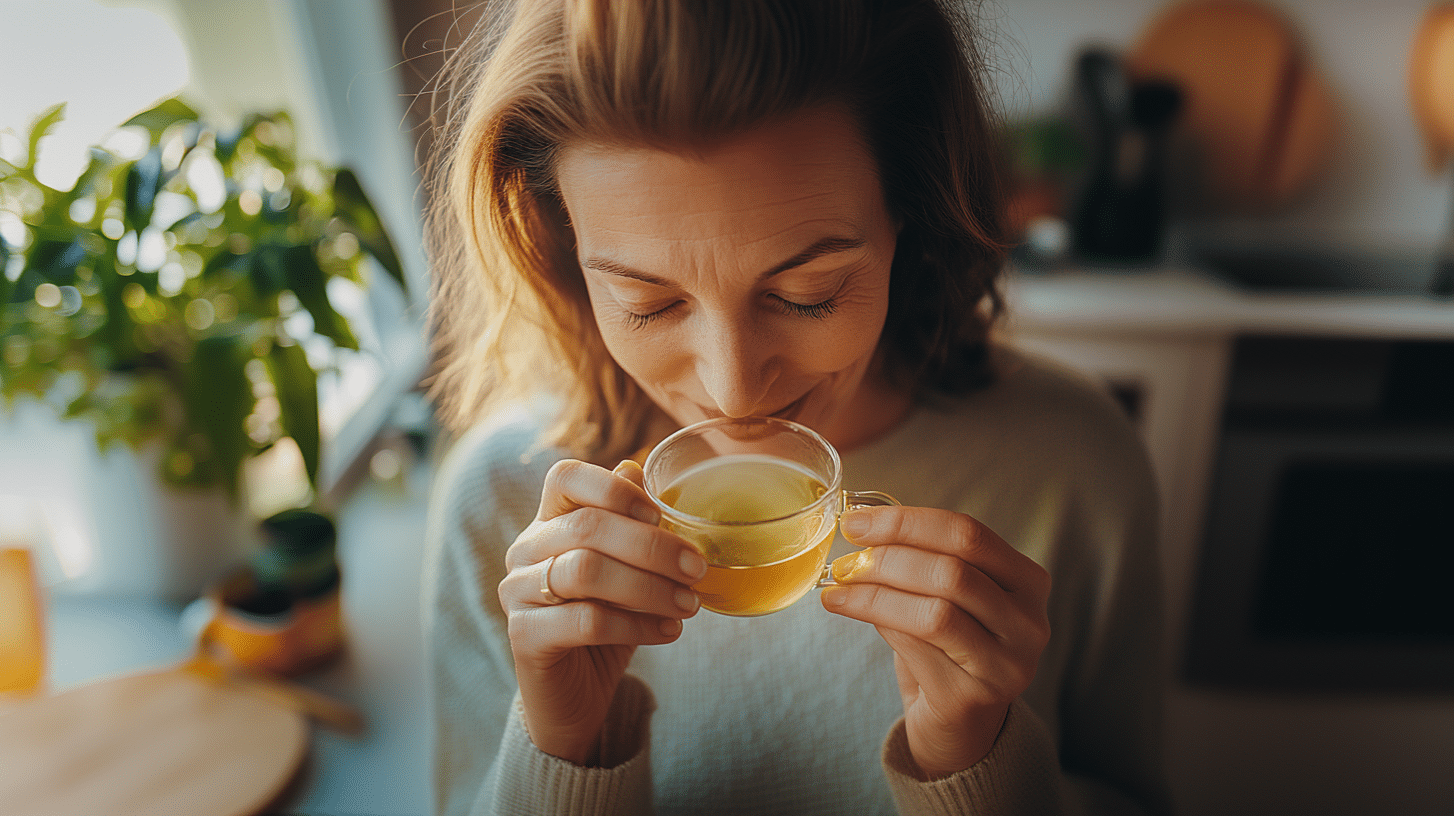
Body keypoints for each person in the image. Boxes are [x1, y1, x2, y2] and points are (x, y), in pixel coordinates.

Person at [421, 1, 1172, 813]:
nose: (733, 392)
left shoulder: (1079, 463)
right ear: (559, 240)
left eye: (806, 294)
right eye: (646, 303)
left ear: (910, 220)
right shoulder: (501, 504)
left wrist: (977, 762)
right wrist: (565, 750)